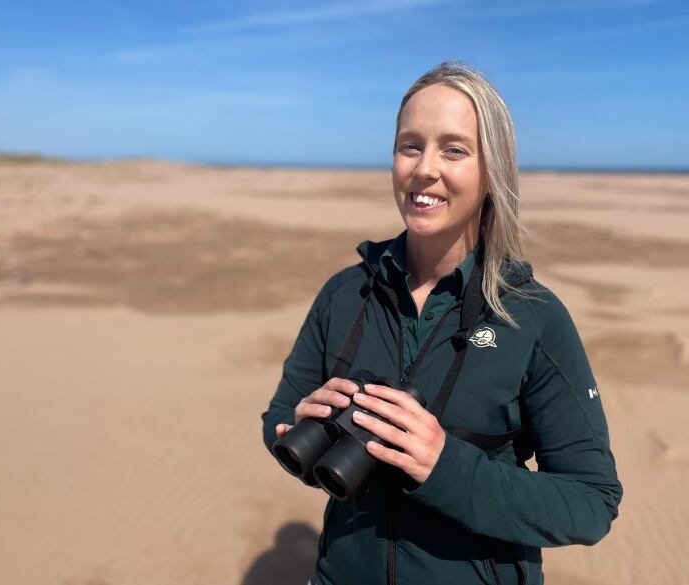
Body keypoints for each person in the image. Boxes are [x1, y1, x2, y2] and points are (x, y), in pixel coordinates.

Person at [261, 60, 623, 585]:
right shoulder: (346, 294)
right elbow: (277, 415)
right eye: (411, 145)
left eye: (453, 149)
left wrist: (444, 466)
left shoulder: (532, 317)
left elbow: (592, 503)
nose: (424, 168)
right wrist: (295, 426)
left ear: (492, 171)